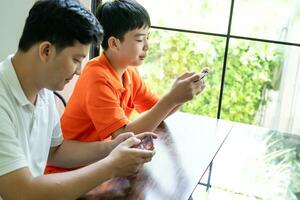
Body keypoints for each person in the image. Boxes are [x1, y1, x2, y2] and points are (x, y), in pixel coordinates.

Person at [0, 0, 156, 199]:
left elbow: (56, 151)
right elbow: (21, 191)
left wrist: (111, 147)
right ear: (46, 51)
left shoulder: (43, 89)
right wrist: (110, 167)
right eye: (76, 59)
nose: (79, 71)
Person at [46, 0, 206, 173]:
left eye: (148, 37)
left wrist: (180, 94)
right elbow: (123, 137)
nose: (147, 46)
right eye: (139, 39)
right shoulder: (97, 76)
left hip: (99, 165)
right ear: (114, 43)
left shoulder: (128, 73)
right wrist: (172, 98)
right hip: (67, 172)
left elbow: (158, 111)